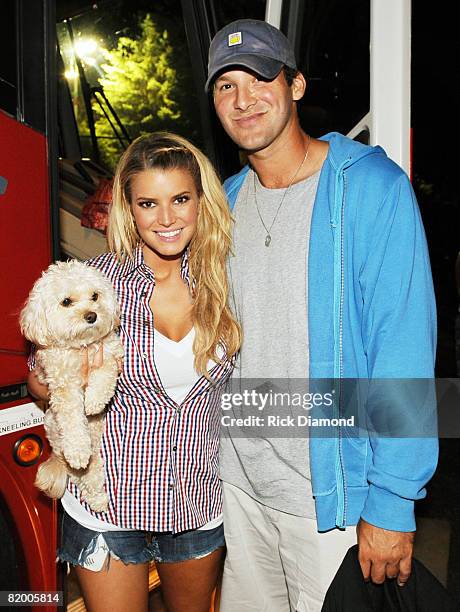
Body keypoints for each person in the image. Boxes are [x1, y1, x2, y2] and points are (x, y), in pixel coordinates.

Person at [205, 19, 438, 611]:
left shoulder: (369, 189)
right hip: (239, 487)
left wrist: (391, 501)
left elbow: (403, 345)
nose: (243, 98)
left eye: (259, 78)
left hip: (329, 500)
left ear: (296, 85)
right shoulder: (225, 201)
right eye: (225, 85)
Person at [27, 132, 241, 612]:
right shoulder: (96, 281)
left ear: (201, 201)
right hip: (108, 505)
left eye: (180, 199)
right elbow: (40, 376)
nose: (166, 219)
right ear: (129, 207)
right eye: (149, 203)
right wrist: (53, 380)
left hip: (197, 501)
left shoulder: (226, 280)